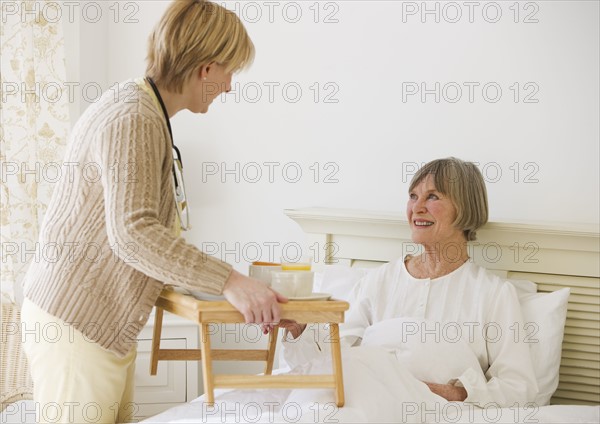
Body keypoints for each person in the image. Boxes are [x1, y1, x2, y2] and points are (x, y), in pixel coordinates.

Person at [20, 1, 285, 423]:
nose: (231, 86)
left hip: (92, 324)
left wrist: (246, 295)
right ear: (206, 68)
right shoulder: (134, 117)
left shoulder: (144, 110)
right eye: (230, 71)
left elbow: (150, 241)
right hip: (78, 324)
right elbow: (134, 234)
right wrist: (231, 281)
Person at [281, 157, 539, 407]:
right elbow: (331, 364)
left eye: (433, 196)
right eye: (413, 196)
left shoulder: (492, 294)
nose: (417, 208)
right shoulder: (379, 280)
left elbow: (518, 387)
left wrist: (448, 393)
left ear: (465, 208)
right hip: (363, 401)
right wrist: (299, 329)